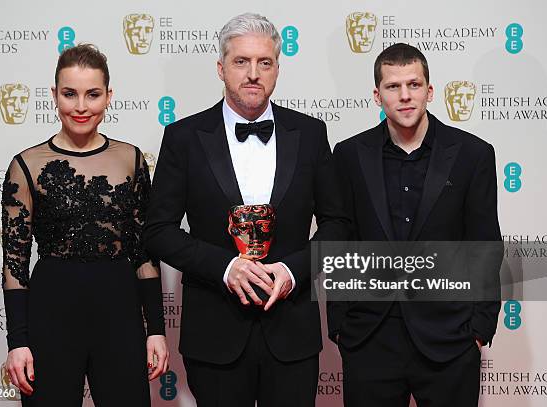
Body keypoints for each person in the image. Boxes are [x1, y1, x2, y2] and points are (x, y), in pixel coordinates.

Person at [144, 12, 348, 407]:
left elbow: (338, 225)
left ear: (277, 69)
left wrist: (293, 270)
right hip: (215, 332)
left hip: (292, 331)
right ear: (221, 68)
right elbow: (158, 231)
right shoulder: (184, 137)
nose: (253, 73)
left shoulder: (310, 133)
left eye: (264, 62)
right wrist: (225, 267)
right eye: (241, 62)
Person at [329, 43, 501, 406]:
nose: (405, 96)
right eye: (393, 86)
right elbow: (339, 239)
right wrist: (341, 322)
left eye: (414, 84)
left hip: (450, 338)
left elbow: (485, 243)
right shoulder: (347, 155)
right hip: (370, 338)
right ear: (377, 95)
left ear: (430, 90)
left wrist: (479, 328)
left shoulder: (473, 154)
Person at [1, 44, 169, 406]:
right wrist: (18, 341)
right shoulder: (26, 164)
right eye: (69, 94)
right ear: (53, 95)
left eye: (92, 94)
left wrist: (155, 329)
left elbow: (144, 251)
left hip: (120, 314)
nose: (81, 106)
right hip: (51, 316)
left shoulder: (131, 158)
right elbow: (15, 263)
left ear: (109, 96)